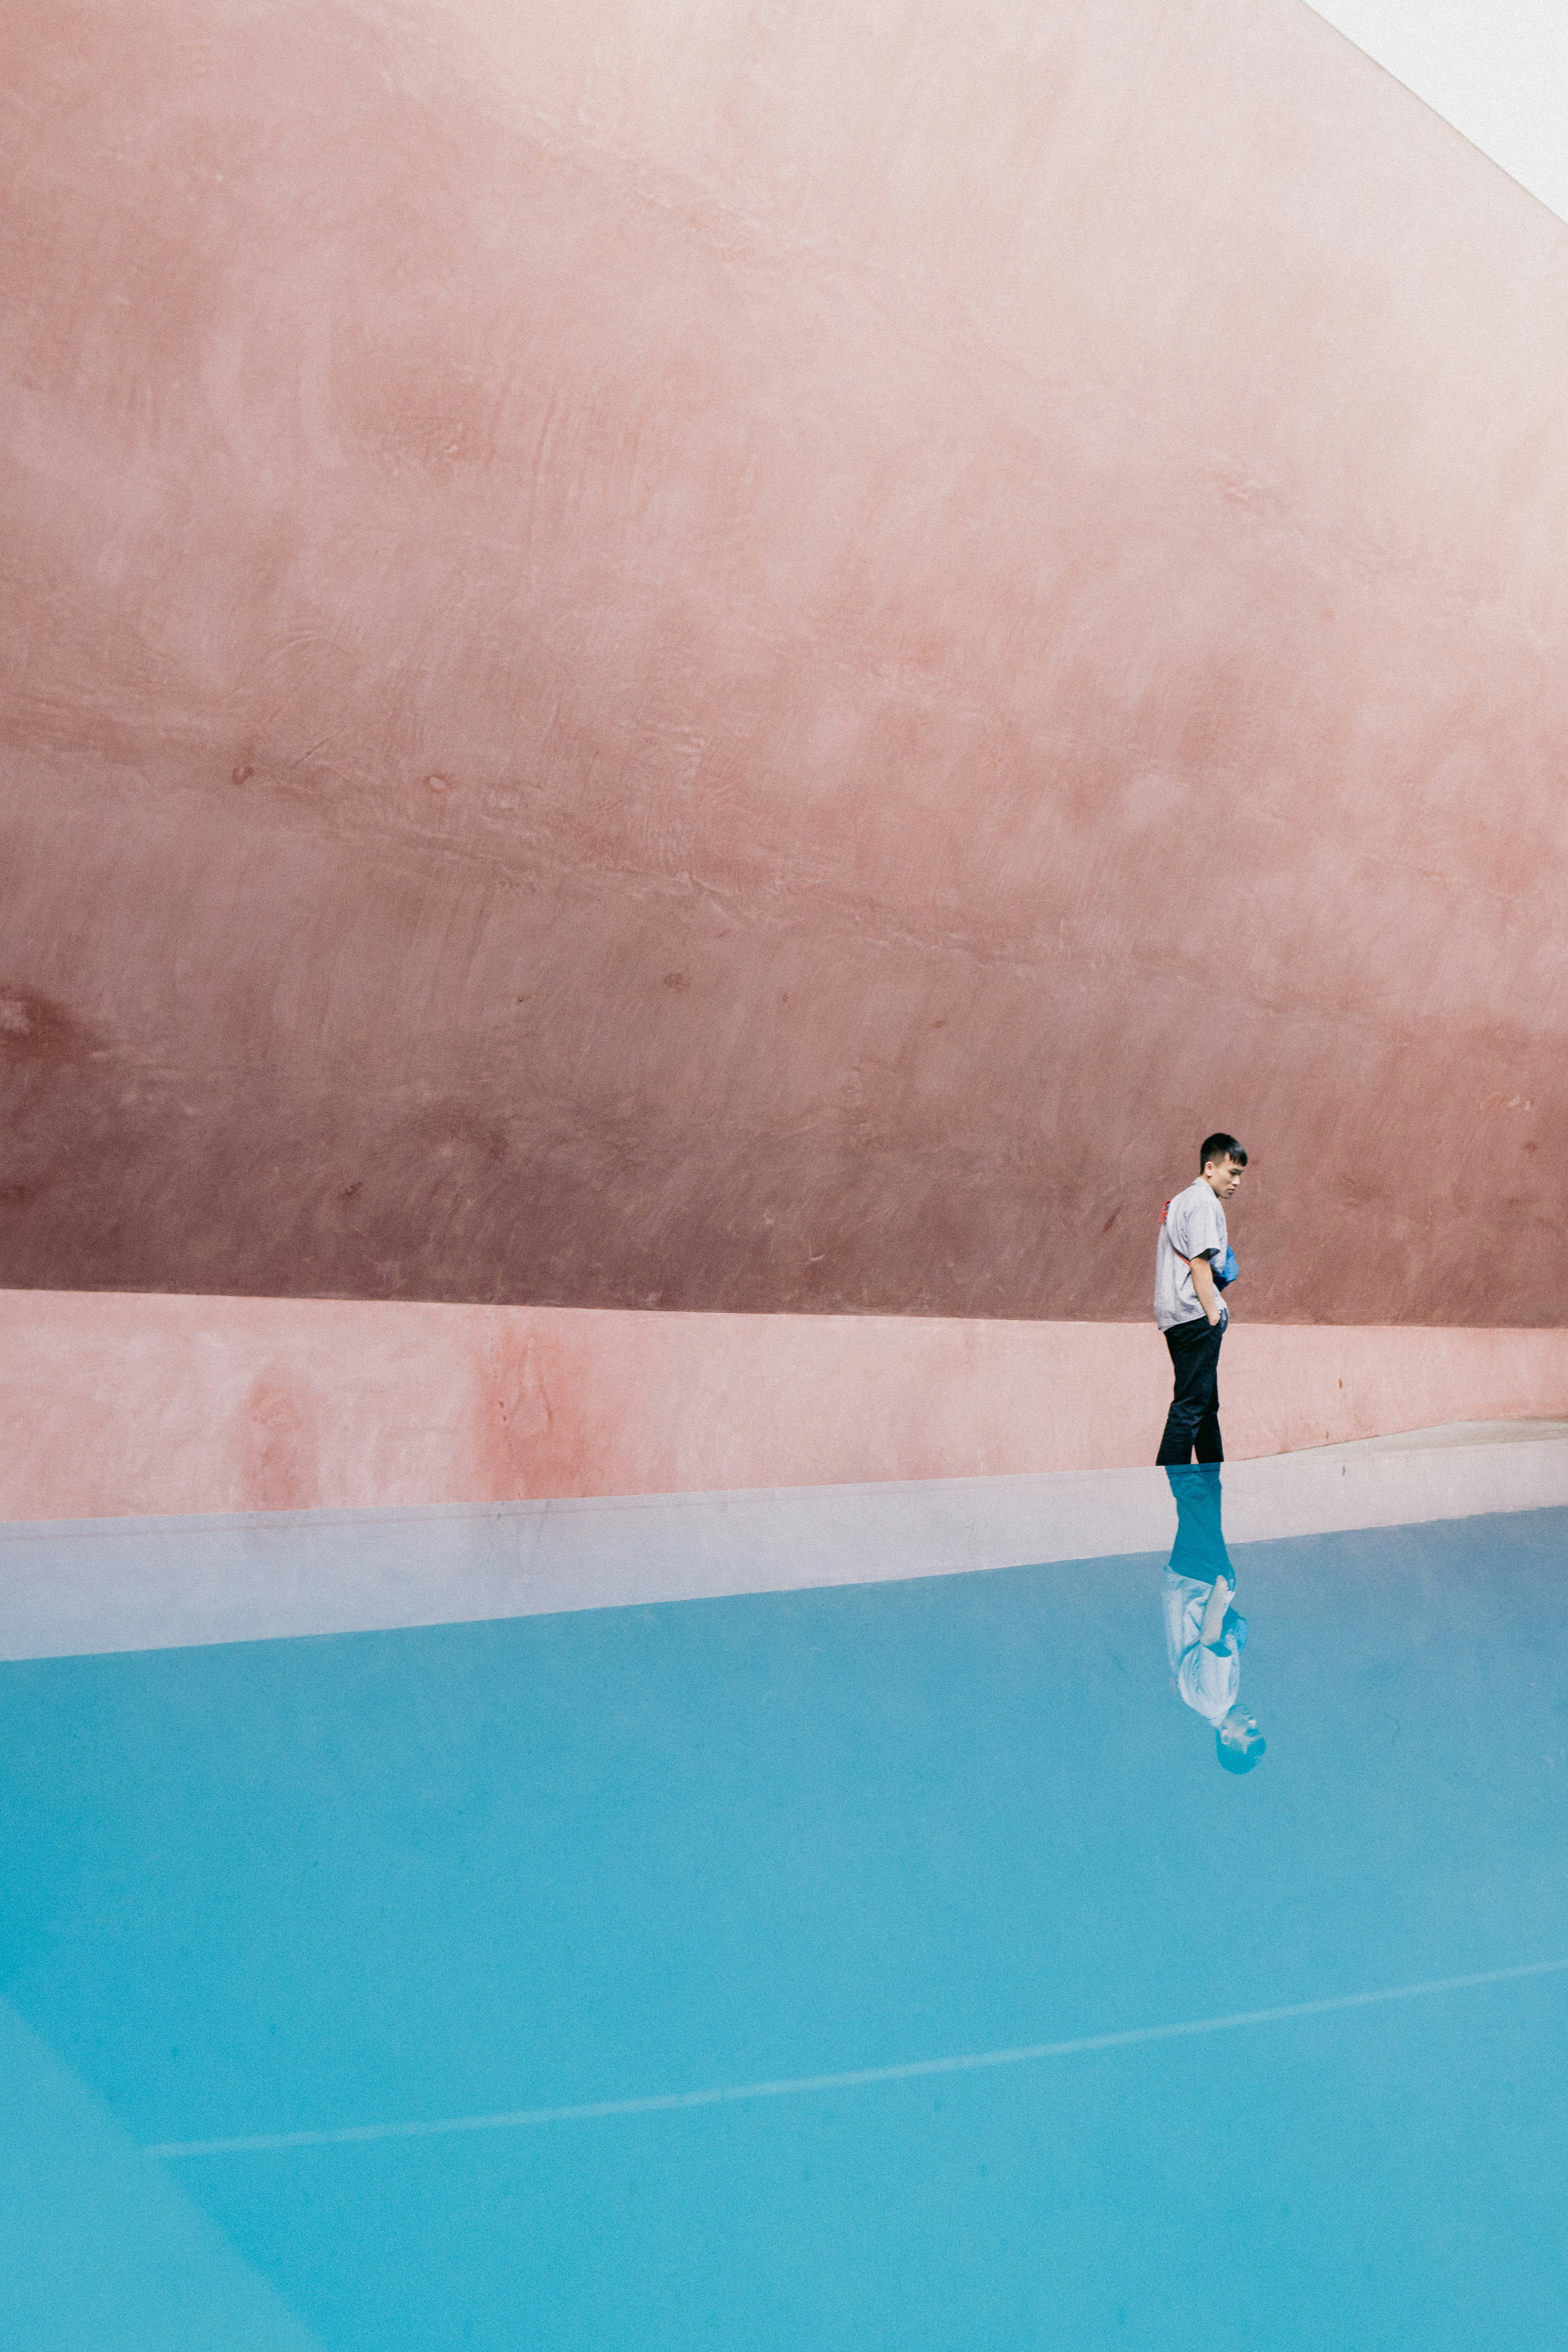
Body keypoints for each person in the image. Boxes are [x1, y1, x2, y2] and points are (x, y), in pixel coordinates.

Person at [1163, 1464, 1266, 1774]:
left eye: (1249, 1730)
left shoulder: (1218, 1700)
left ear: (1226, 1736)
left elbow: (1209, 1639)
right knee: (1207, 1490)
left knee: (1195, 1494)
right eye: (1257, 1727)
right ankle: (1199, 1427)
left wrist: (1220, 1589)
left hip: (1199, 1582)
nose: (1253, 1720)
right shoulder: (1204, 1704)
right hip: (1190, 1581)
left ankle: (1181, 1429)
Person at [1154, 1132, 1247, 1467]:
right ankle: (1160, 1487)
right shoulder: (1206, 1202)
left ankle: (1213, 1480)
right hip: (1195, 1315)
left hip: (1175, 1315)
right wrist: (1213, 1315)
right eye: (1232, 1173)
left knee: (1204, 1406)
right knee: (1190, 1408)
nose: (1236, 1182)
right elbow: (1199, 1262)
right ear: (1209, 1168)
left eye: (1240, 1175)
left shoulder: (1180, 1200)